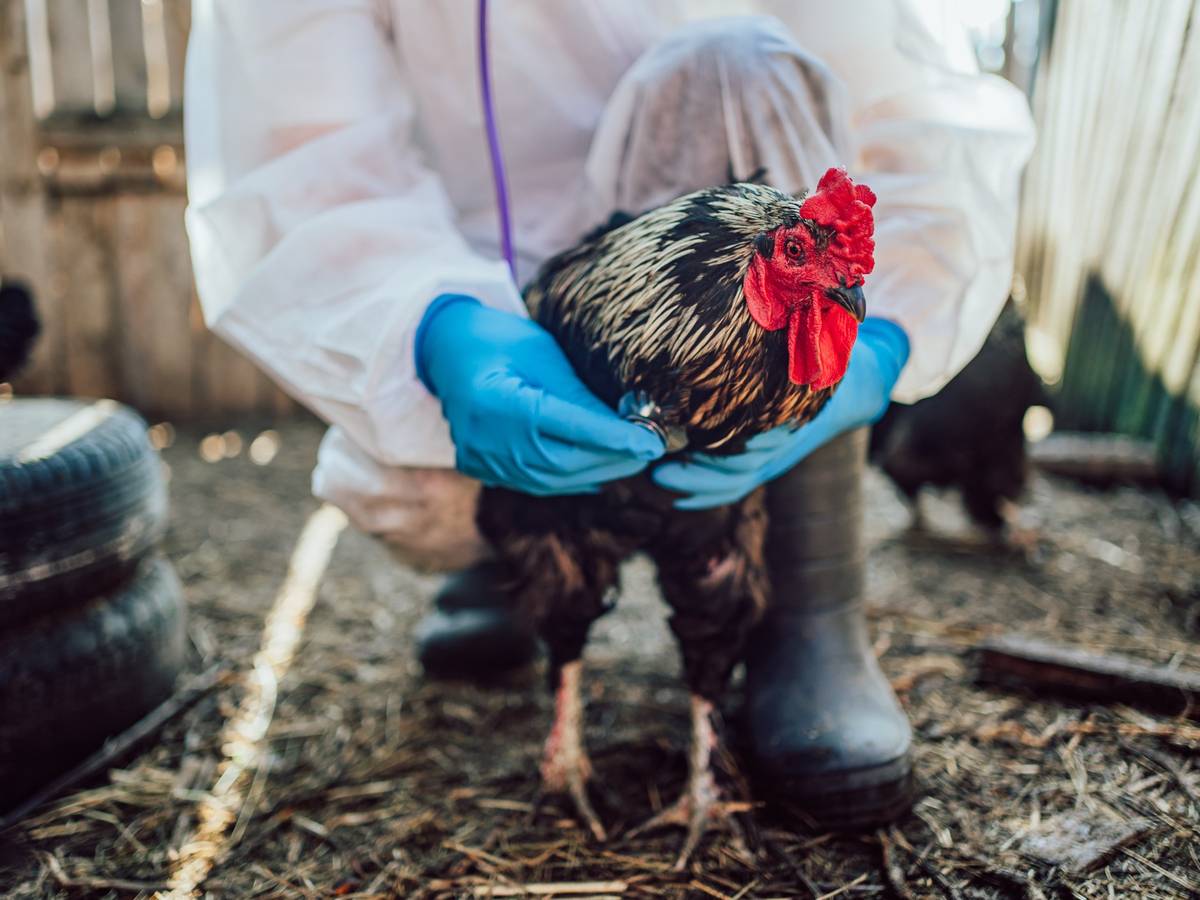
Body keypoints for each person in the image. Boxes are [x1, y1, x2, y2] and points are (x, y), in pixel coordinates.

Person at [184, 0, 1034, 827]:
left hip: (726, 285)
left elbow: (898, 96)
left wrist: (880, 335)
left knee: (742, 60)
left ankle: (811, 607)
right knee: (412, 482)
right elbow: (300, 145)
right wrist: (433, 322)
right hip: (486, 270)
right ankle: (505, 566)